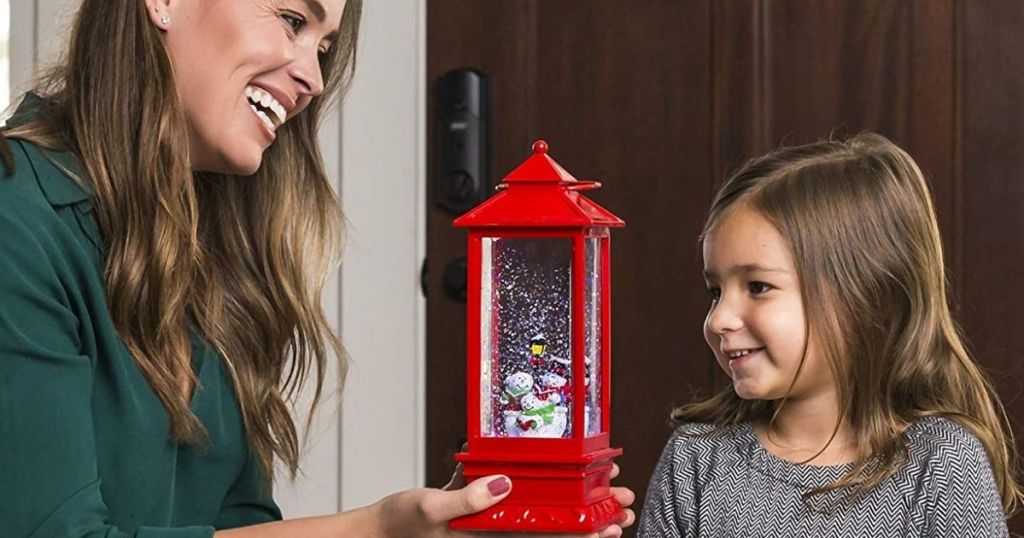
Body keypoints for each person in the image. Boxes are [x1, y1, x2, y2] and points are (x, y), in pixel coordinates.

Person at [0, 1, 635, 536]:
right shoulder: (16, 217)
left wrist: (415, 526)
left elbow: (233, 524)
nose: (313, 77)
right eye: (290, 18)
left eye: (325, 48)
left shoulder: (209, 249)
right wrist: (373, 529)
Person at [637, 133, 1022, 537]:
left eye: (757, 287)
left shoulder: (942, 462)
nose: (718, 320)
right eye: (716, 292)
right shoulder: (696, 459)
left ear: (862, 298)